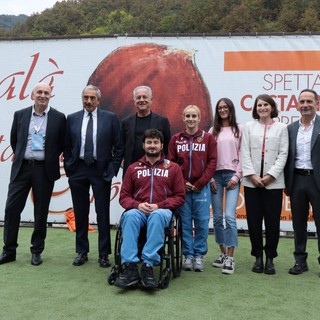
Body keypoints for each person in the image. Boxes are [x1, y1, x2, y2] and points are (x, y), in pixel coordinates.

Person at [0, 82, 66, 266]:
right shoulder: (20, 115)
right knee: (12, 208)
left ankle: (36, 251)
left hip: (44, 169)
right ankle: (9, 250)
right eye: (39, 92)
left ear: (50, 96)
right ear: (32, 95)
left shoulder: (59, 117)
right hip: (22, 168)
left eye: (46, 92)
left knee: (41, 212)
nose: (43, 95)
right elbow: (15, 141)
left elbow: (61, 143)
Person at [114, 129, 185, 289]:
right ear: (143, 145)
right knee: (130, 215)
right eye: (149, 142)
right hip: (139, 211)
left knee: (157, 215)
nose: (152, 146)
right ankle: (130, 266)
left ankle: (148, 265)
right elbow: (124, 197)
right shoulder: (133, 168)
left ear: (161, 145)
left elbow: (180, 197)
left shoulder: (173, 168)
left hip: (162, 211)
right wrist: (137, 205)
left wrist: (159, 206)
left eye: (155, 142)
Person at [64, 85, 123, 268]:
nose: (88, 101)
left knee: (102, 213)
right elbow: (66, 145)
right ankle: (82, 252)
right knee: (80, 212)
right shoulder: (72, 118)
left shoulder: (110, 118)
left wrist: (112, 169)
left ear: (98, 100)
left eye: (92, 98)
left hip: (101, 170)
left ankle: (104, 254)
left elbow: (119, 146)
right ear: (82, 99)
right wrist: (69, 167)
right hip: (78, 169)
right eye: (85, 97)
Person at [241, 94, 288, 275]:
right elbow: (244, 152)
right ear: (255, 108)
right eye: (259, 105)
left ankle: (270, 258)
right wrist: (252, 175)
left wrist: (270, 175)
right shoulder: (249, 127)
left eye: (266, 105)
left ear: (272, 107)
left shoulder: (281, 128)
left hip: (273, 184)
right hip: (252, 182)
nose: (262, 108)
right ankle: (258, 257)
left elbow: (283, 154)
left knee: (272, 222)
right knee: (253, 221)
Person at [168, 105, 217, 272]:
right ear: (183, 117)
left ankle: (199, 255)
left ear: (199, 117)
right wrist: (181, 182)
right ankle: (188, 255)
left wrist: (199, 183)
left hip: (201, 188)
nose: (190, 119)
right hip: (182, 188)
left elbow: (212, 162)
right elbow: (171, 163)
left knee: (202, 222)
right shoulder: (176, 139)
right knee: (185, 222)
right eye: (187, 115)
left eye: (193, 116)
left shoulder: (208, 138)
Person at [284, 89, 320, 275]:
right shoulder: (291, 128)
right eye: (302, 101)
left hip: (317, 181)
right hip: (297, 180)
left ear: (317, 104)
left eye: (309, 101)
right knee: (298, 223)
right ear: (298, 105)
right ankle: (300, 261)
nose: (305, 105)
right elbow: (287, 157)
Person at [209, 98, 242, 275]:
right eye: (220, 107)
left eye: (225, 107)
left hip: (232, 177)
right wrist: (209, 179)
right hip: (215, 178)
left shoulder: (239, 129)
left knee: (229, 216)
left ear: (231, 109)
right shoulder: (212, 131)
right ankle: (222, 253)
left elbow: (244, 154)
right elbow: (207, 157)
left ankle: (230, 257)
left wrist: (237, 177)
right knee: (216, 218)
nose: (223, 110)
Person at [121, 85, 171, 176]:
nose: (141, 100)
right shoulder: (126, 122)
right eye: (138, 97)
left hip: (157, 169)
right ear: (134, 101)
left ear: (151, 100)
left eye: (145, 97)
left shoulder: (162, 121)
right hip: (132, 169)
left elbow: (168, 146)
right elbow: (121, 145)